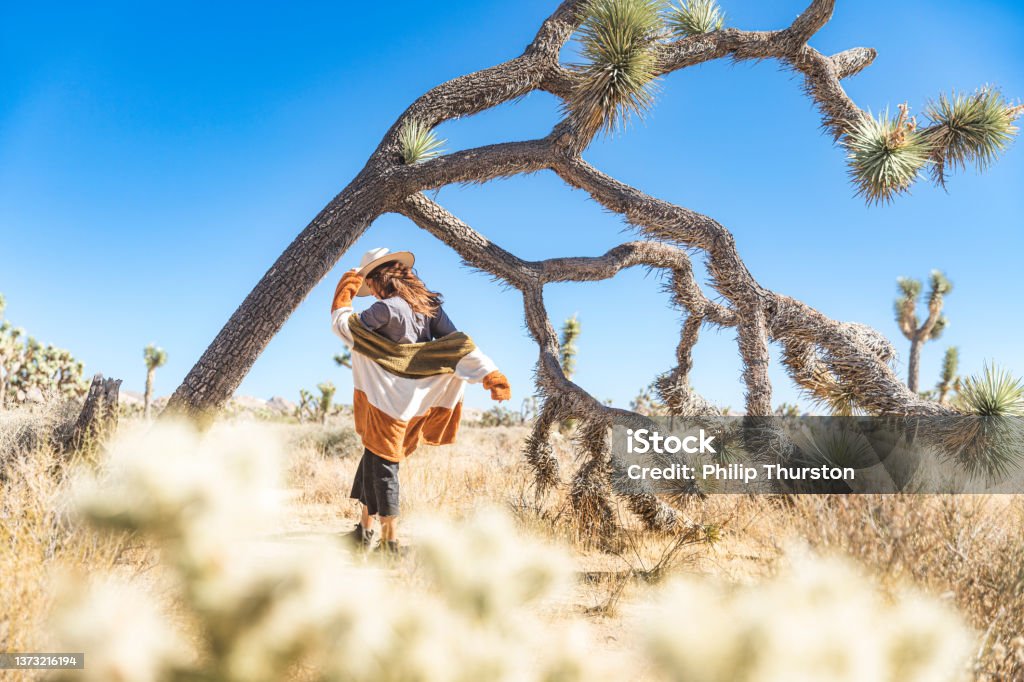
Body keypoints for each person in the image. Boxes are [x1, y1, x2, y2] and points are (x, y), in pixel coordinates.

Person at [330, 247, 511, 555]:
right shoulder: (430, 308)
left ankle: (389, 544)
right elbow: (458, 345)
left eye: (369, 285)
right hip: (413, 399)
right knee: (372, 458)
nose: (369, 292)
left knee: (384, 466)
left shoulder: (384, 309)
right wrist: (490, 374)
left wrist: (343, 295)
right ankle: (364, 531)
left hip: (386, 399)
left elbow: (348, 330)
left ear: (379, 279)